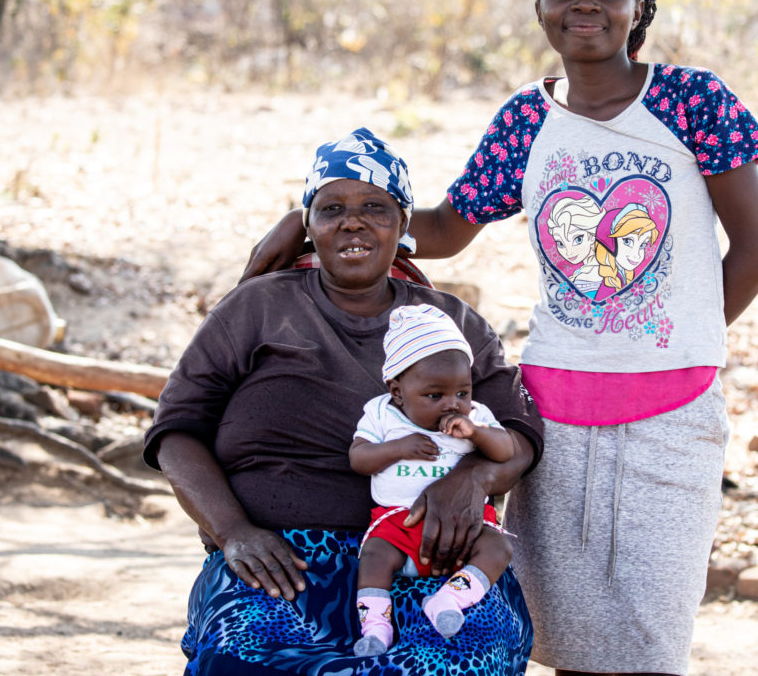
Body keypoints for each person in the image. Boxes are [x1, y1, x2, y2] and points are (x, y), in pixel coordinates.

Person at [244, 0, 758, 676]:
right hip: (553, 408)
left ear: (639, 8)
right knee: (554, 632)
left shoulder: (692, 102)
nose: (582, 5)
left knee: (649, 641)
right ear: (538, 8)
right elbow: (446, 230)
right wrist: (316, 217)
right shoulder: (528, 120)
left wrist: (677, 345)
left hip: (673, 412)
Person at [145, 128, 543, 675]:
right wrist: (232, 531)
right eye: (331, 208)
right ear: (308, 226)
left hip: (431, 561)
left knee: (461, 659)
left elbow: (521, 434)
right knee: (247, 657)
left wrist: (471, 480)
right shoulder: (256, 307)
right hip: (283, 558)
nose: (352, 221)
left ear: (404, 225)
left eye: (375, 208)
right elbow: (175, 432)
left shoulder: (455, 322)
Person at [350, 303, 517, 656]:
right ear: (398, 392)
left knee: (499, 547)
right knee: (374, 557)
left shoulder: (475, 417)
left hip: (467, 526)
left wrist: (477, 433)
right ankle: (377, 627)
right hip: (399, 522)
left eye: (462, 392)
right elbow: (359, 458)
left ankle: (449, 599)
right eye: (434, 396)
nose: (452, 405)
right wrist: (396, 448)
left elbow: (506, 451)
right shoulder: (382, 414)